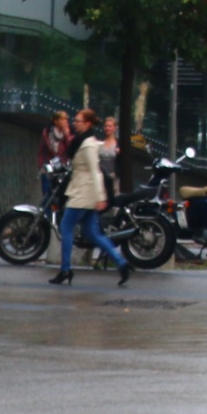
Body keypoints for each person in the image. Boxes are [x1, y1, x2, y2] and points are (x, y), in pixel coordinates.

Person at [51, 116, 131, 287]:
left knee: (66, 227)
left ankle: (65, 269)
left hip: (83, 193)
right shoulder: (85, 140)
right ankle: (121, 263)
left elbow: (95, 171)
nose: (75, 123)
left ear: (87, 123)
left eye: (78, 121)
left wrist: (100, 197)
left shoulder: (87, 144)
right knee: (92, 233)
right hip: (86, 192)